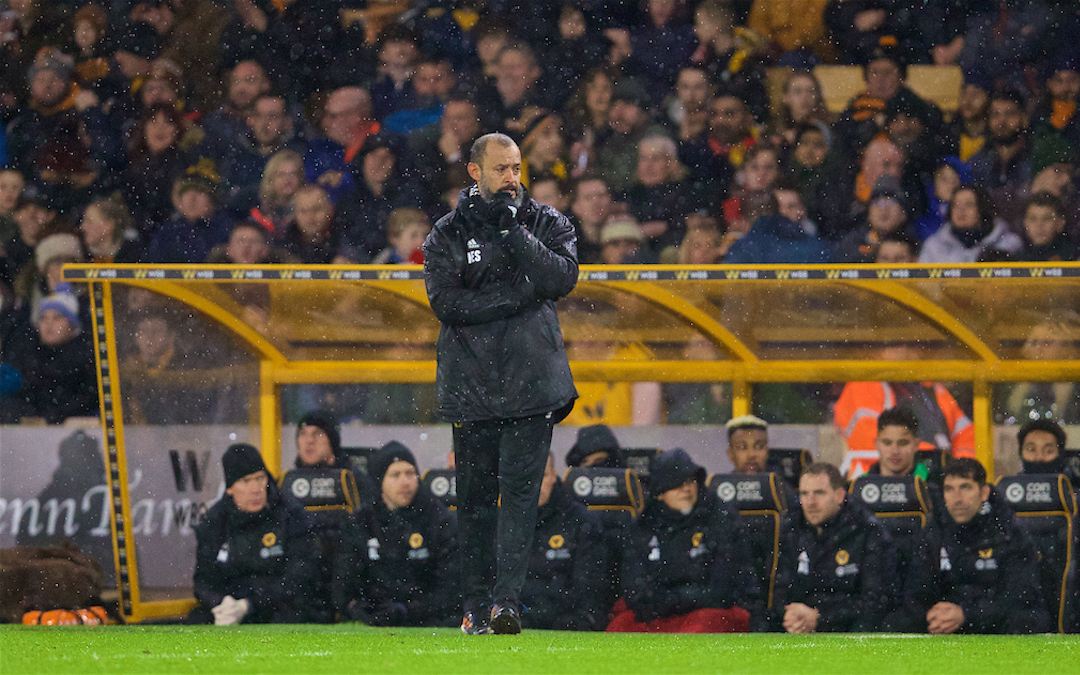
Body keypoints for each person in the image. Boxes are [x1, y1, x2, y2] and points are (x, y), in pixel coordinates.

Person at [423, 132, 578, 635]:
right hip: (473, 385)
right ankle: (473, 605)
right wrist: (515, 299)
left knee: (519, 496)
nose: (512, 179)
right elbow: (447, 306)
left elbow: (562, 279)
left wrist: (515, 236)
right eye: (502, 169)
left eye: (516, 168)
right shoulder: (445, 233)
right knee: (474, 498)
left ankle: (505, 603)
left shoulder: (544, 221)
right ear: (475, 172)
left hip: (534, 384)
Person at [607, 448, 760, 633]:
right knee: (621, 626)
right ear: (659, 493)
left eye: (691, 481)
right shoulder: (644, 525)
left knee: (701, 626)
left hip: (710, 612)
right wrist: (676, 599)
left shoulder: (720, 516)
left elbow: (722, 590)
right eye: (677, 483)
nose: (686, 488)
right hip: (663, 613)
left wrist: (672, 598)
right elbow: (635, 591)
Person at [900, 458, 1051, 634]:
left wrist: (966, 614)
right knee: (899, 621)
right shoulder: (935, 530)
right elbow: (916, 589)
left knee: (1025, 619)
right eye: (949, 489)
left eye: (965, 487)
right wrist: (933, 613)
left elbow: (1021, 596)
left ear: (984, 492)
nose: (957, 499)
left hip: (994, 622)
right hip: (948, 621)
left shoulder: (1010, 531)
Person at [188, 443, 318, 625]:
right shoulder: (215, 520)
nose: (256, 488)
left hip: (276, 606)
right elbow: (202, 582)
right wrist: (220, 603)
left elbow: (300, 575)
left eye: (260, 478)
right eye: (245, 481)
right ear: (230, 488)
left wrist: (248, 605)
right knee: (196, 620)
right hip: (230, 605)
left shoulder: (290, 514)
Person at [332, 442, 459, 627]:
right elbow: (343, 584)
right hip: (372, 621)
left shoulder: (438, 519)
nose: (405, 482)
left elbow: (451, 587)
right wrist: (362, 610)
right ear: (379, 481)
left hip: (429, 621)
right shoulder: (361, 522)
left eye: (410, 473)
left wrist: (408, 611)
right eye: (395, 475)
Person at [769, 462, 895, 633]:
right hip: (799, 623)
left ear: (839, 495)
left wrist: (821, 617)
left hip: (846, 627)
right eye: (804, 494)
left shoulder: (867, 530)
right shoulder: (790, 527)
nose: (810, 502)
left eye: (819, 493)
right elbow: (778, 589)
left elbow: (876, 600)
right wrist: (791, 614)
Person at [521, 453, 610, 631]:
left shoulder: (582, 521)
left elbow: (588, 591)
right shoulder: (502, 522)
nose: (535, 485)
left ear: (554, 475)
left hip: (566, 623)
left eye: (542, 476)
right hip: (517, 620)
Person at [834, 367, 976, 477]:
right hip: (874, 485)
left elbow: (966, 435)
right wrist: (936, 458)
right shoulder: (865, 383)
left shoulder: (930, 387)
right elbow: (869, 440)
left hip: (931, 477)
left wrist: (959, 470)